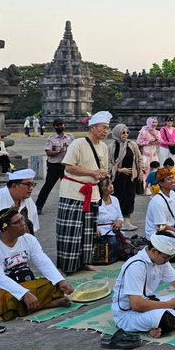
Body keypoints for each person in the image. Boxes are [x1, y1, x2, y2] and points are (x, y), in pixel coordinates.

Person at [0, 206, 73, 320]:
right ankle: (48, 304)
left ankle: (29, 306)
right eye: (18, 222)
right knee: (6, 300)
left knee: (53, 285)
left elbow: (43, 262)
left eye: (22, 219)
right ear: (6, 229)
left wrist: (60, 281)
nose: (23, 224)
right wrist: (24, 294)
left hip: (21, 282)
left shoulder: (29, 239)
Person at [112, 230, 175, 338]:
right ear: (154, 251)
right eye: (166, 257)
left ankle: (170, 322)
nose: (167, 261)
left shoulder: (161, 260)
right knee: (165, 318)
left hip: (151, 302)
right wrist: (169, 305)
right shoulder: (135, 266)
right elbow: (136, 305)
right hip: (128, 314)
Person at [57, 112, 112, 274]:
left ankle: (84, 261)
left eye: (108, 128)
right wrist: (92, 172)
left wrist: (102, 174)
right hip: (74, 192)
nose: (106, 131)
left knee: (88, 231)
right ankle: (65, 266)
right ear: (92, 127)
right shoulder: (78, 144)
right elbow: (68, 167)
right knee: (70, 231)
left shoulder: (103, 147)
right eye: (103, 128)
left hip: (93, 192)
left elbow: (104, 168)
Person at [108, 123, 145, 231]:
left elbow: (139, 159)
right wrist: (119, 170)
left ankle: (127, 221)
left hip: (131, 177)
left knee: (129, 198)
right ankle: (117, 220)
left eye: (127, 132)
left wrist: (141, 171)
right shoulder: (111, 147)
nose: (125, 134)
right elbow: (107, 163)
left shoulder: (132, 145)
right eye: (123, 132)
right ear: (117, 133)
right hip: (117, 177)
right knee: (117, 198)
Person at [35, 119, 74, 215]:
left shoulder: (70, 137)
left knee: (69, 187)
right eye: (58, 125)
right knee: (48, 186)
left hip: (66, 165)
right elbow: (48, 152)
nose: (60, 127)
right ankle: (38, 206)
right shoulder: (51, 139)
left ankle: (71, 206)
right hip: (54, 166)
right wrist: (59, 151)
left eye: (61, 124)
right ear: (54, 127)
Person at [95, 177, 124, 264]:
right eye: (107, 185)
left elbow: (120, 216)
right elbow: (90, 219)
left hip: (114, 234)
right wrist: (95, 228)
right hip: (101, 235)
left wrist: (119, 222)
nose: (111, 187)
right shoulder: (96, 202)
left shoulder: (114, 199)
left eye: (111, 184)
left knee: (134, 249)